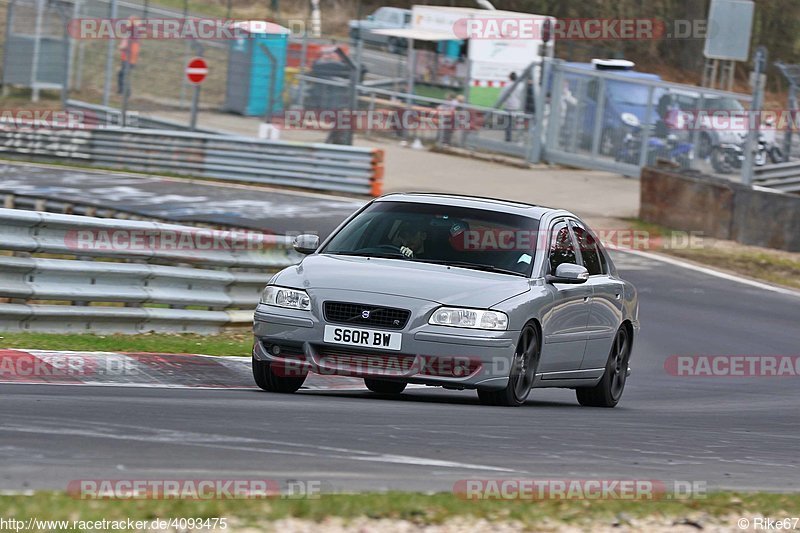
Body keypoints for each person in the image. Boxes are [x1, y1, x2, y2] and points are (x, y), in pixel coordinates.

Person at [117, 17, 141, 95]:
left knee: (123, 75)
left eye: (129, 21)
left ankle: (125, 92)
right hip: (128, 58)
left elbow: (128, 46)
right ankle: (123, 91)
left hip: (129, 59)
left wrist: (122, 47)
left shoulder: (132, 33)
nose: (127, 22)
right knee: (122, 74)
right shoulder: (131, 33)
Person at [499, 72, 525, 142]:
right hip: (517, 107)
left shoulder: (507, 86)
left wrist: (504, 103)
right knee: (519, 124)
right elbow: (522, 96)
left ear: (510, 77)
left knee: (508, 124)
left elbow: (501, 96)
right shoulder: (520, 86)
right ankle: (519, 139)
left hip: (508, 107)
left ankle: (508, 139)